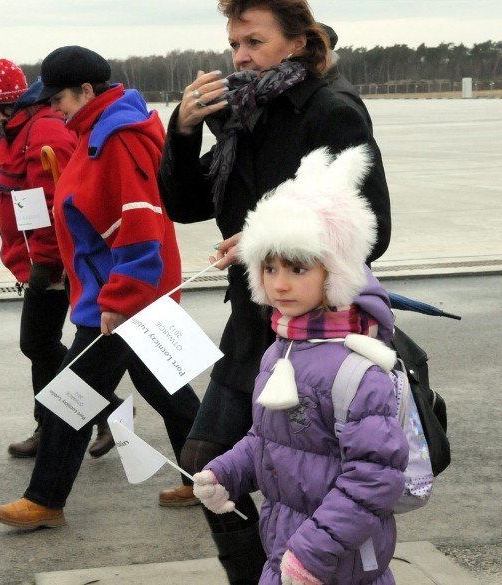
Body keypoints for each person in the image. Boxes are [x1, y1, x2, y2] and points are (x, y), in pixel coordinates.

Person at [157, 1, 391, 582]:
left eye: (254, 42)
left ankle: (309, 566)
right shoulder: (243, 116)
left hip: (322, 332)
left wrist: (271, 239)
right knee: (204, 461)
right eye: (234, 43)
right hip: (253, 323)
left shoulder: (330, 112)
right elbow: (185, 205)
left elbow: (375, 229)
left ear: (295, 42)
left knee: (326, 477)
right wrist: (182, 131)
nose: (239, 56)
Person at [0, 45, 201, 529]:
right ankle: (212, 473)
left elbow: (140, 222)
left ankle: (44, 500)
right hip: (118, 291)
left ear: (86, 91)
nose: (55, 109)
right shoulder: (95, 131)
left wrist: (121, 300)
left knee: (70, 397)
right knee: (167, 390)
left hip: (123, 296)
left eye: (59, 99)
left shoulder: (117, 139)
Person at [193, 145, 407, 585]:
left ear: (336, 271)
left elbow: (374, 479)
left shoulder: (358, 369)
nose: (280, 283)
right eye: (269, 268)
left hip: (338, 567)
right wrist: (225, 473)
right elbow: (269, 440)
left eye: (297, 267)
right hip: (286, 556)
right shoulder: (280, 350)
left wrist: (311, 553)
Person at [0, 58, 76, 458]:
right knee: (40, 344)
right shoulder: (11, 133)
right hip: (33, 262)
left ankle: (102, 408)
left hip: (54, 264)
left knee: (37, 343)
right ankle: (50, 424)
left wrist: (45, 264)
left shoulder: (43, 131)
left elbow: (53, 205)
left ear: (8, 102)